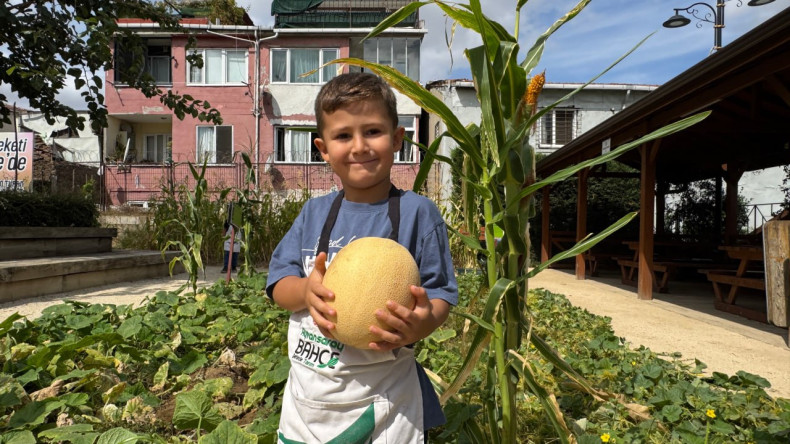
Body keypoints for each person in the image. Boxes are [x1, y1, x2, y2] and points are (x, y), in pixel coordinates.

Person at [266, 72, 458, 443]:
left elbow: (441, 295)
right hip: (311, 396)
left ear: (398, 139)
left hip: (384, 396)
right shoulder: (312, 213)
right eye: (343, 136)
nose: (359, 146)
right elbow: (278, 283)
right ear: (323, 149)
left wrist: (421, 325)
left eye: (373, 131)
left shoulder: (419, 213)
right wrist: (305, 292)